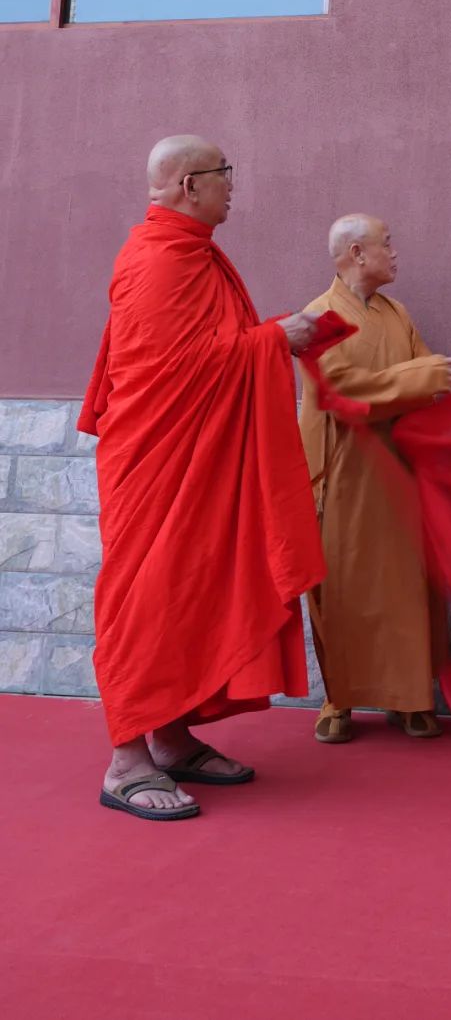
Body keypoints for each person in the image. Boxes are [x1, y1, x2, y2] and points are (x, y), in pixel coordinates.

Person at [80, 136, 325, 822]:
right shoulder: (160, 260)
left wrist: (272, 336)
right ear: (190, 184)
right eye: (226, 175)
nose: (233, 186)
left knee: (192, 586)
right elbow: (174, 373)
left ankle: (170, 736)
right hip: (155, 464)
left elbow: (203, 353)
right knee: (148, 594)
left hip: (190, 453)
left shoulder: (190, 252)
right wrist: (277, 340)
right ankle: (126, 761)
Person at [299, 215, 451, 744]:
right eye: (387, 244)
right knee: (340, 589)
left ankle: (411, 698)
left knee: (407, 585)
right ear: (356, 252)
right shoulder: (317, 317)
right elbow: (342, 392)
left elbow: (426, 380)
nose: (395, 253)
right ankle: (339, 699)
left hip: (398, 469)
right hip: (341, 472)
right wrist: (422, 376)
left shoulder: (398, 314)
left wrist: (423, 378)